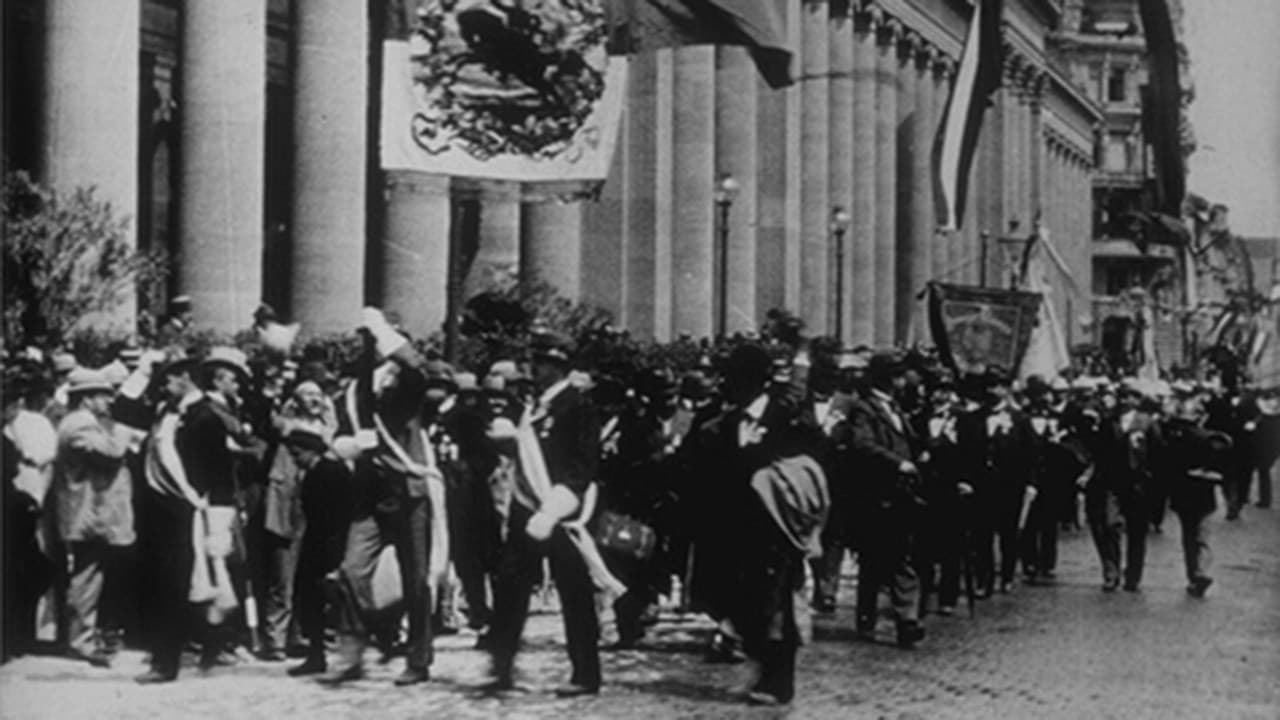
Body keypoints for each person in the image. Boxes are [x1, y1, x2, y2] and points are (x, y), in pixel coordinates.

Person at [324, 309, 444, 687]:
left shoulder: (407, 382)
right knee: (350, 570)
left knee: (417, 579)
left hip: (408, 491)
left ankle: (418, 657)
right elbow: (342, 433)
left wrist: (383, 329)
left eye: (374, 340)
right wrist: (348, 445)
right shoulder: (356, 389)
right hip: (370, 493)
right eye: (366, 340)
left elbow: (417, 367)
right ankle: (359, 643)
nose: (368, 347)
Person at [481, 330, 603, 697]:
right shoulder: (533, 406)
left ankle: (585, 673)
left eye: (544, 362)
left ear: (560, 366)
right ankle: (501, 666)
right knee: (510, 585)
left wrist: (552, 511)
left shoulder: (577, 405)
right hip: (526, 509)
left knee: (574, 592)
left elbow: (582, 467)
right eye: (536, 361)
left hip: (559, 512)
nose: (536, 368)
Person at [51, 368, 135, 667]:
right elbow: (110, 452)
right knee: (86, 577)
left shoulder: (83, 422)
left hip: (91, 512)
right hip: (86, 514)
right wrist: (124, 434)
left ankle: (83, 636)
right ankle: (80, 641)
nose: (108, 401)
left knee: (90, 576)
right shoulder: (78, 426)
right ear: (86, 399)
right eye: (103, 395)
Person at [847, 351, 925, 647]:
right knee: (873, 560)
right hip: (877, 496)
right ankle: (866, 618)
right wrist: (897, 463)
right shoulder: (865, 409)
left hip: (902, 496)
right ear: (888, 378)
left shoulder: (897, 409)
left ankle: (907, 620)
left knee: (902, 557)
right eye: (898, 374)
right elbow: (862, 444)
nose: (904, 380)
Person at [280, 428, 353, 676]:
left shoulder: (331, 472)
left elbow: (341, 514)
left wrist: (337, 553)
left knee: (331, 598)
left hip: (330, 544)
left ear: (311, 451)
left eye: (297, 453)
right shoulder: (314, 473)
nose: (295, 459)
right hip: (316, 542)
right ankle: (316, 653)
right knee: (309, 598)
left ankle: (344, 653)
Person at [1160, 395, 1230, 598]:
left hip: (1183, 496)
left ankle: (1195, 574)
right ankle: (1200, 572)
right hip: (1203, 495)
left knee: (1190, 537)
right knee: (1202, 537)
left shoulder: (1174, 439)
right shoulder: (1209, 438)